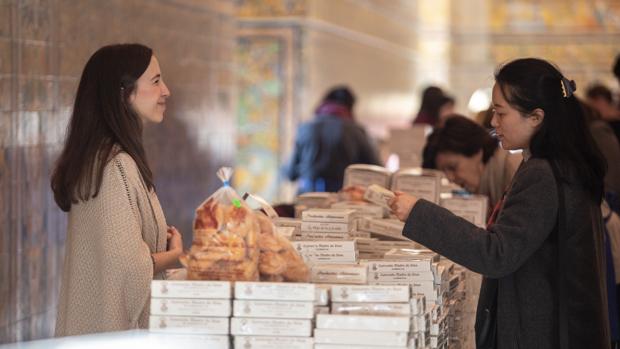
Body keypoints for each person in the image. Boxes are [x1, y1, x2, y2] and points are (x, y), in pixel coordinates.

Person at [390, 58, 610, 348]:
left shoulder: (543, 173)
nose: (493, 123)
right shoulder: (560, 163)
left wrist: (418, 213)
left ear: (536, 117)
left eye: (500, 113)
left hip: (544, 334)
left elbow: (496, 254)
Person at [51, 44, 182, 336]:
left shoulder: (109, 158)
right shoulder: (114, 167)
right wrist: (175, 255)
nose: (166, 91)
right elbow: (128, 270)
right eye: (156, 81)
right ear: (124, 93)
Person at [285, 85, 380, 194]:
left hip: (306, 198)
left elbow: (290, 173)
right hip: (342, 201)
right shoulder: (356, 131)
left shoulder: (305, 128)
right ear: (350, 107)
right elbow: (376, 171)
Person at [422, 115, 521, 208]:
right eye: (444, 172)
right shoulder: (491, 187)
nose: (450, 178)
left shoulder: (515, 173)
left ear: (476, 151)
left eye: (453, 167)